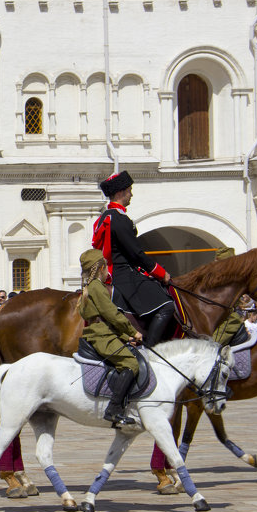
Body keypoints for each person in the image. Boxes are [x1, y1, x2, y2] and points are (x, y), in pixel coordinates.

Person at [92, 171, 175, 346]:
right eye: (129, 190)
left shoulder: (104, 218)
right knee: (167, 306)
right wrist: (161, 273)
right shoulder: (119, 219)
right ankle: (150, 350)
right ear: (121, 192)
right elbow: (135, 253)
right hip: (122, 274)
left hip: (117, 271)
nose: (131, 194)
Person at [78, 248, 143, 425]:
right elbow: (111, 314)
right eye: (106, 266)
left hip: (104, 332)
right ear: (100, 268)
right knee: (131, 364)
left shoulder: (90, 287)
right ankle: (114, 409)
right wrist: (133, 332)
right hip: (102, 336)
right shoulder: (97, 287)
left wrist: (125, 337)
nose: (108, 269)